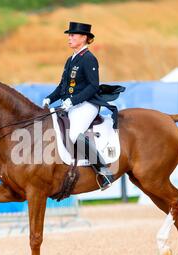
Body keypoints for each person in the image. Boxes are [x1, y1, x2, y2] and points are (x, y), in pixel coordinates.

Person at [42, 21, 115, 189]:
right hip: (72, 105)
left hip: (88, 104)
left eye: (73, 35)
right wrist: (49, 99)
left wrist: (73, 101)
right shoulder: (70, 59)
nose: (69, 37)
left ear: (83, 38)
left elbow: (93, 86)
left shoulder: (89, 58)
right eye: (69, 35)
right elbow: (62, 86)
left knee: (74, 134)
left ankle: (103, 171)